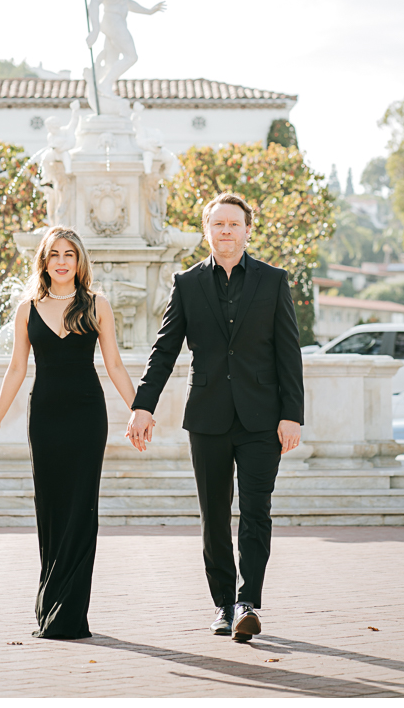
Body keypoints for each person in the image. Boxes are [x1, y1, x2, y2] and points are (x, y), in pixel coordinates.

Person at [126, 193, 304, 643]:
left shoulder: (273, 281)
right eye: (218, 224)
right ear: (207, 231)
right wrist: (143, 406)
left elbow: (289, 353)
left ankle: (248, 601)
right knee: (213, 516)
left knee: (256, 511)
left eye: (234, 224)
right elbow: (164, 350)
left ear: (248, 230)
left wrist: (292, 415)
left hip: (263, 419)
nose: (226, 231)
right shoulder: (186, 284)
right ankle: (224, 604)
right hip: (206, 417)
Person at [0, 226, 141, 639]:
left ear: (79, 260)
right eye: (54, 253)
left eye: (69, 253)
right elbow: (16, 369)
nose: (62, 260)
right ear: (44, 260)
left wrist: (139, 409)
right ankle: (50, 601)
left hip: (88, 417)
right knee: (50, 509)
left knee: (81, 510)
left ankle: (71, 613)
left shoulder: (96, 304)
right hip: (46, 418)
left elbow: (115, 365)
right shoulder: (27, 308)